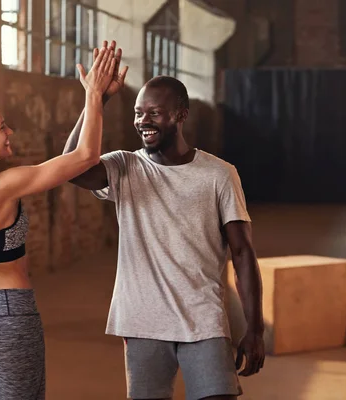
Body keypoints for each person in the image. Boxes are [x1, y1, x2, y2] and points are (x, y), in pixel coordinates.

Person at [63, 40, 265, 400]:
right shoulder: (125, 166)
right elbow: (72, 168)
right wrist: (96, 99)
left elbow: (243, 253)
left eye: (154, 113)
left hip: (203, 319)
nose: (143, 121)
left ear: (180, 115)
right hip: (142, 322)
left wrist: (255, 329)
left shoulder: (219, 174)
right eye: (139, 113)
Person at [0, 46, 119, 399]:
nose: (9, 132)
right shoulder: (1, 187)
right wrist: (93, 93)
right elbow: (85, 157)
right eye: (1, 127)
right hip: (8, 318)